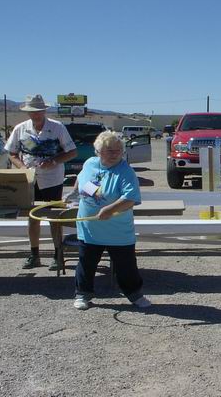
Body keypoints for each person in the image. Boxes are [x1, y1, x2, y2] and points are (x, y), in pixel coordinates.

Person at [69, 130, 151, 310]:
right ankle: (83, 294)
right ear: (98, 152)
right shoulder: (90, 163)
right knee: (86, 262)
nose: (115, 154)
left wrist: (109, 209)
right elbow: (82, 179)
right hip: (90, 227)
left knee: (126, 266)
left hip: (117, 230)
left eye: (118, 150)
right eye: (109, 150)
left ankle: (135, 295)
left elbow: (130, 198)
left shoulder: (125, 171)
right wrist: (75, 193)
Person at [5, 94, 77, 270]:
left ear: (44, 111)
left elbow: (72, 151)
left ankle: (57, 255)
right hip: (30, 181)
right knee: (32, 217)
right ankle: (34, 254)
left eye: (38, 111)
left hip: (52, 179)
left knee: (55, 218)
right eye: (32, 112)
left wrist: (54, 161)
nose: (35, 115)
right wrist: (22, 168)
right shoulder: (20, 129)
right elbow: (11, 153)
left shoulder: (57, 127)